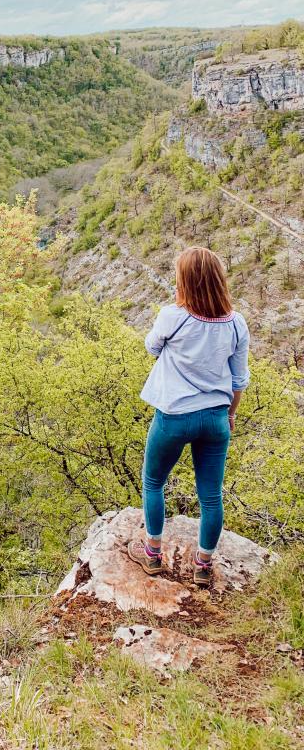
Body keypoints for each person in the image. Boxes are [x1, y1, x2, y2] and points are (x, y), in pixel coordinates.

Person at [128, 246, 250, 586]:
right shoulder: (237, 324)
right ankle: (203, 566)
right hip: (215, 417)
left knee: (154, 481)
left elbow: (152, 346)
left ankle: (152, 556)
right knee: (211, 495)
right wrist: (231, 415)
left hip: (175, 415)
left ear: (185, 281)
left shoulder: (174, 315)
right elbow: (239, 380)